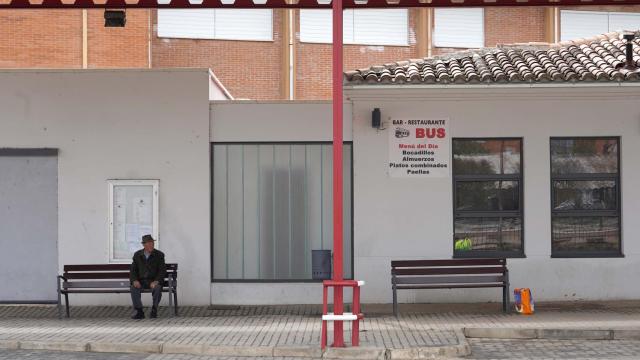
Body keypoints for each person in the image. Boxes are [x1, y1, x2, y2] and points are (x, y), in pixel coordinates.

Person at [130, 234, 166, 319]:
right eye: (149, 243)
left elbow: (162, 271)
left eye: (152, 243)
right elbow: (133, 270)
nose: (151, 245)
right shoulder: (137, 255)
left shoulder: (159, 255)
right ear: (144, 245)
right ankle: (139, 311)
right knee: (133, 287)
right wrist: (134, 280)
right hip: (141, 281)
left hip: (153, 280)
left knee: (157, 288)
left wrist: (156, 281)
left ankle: (154, 309)